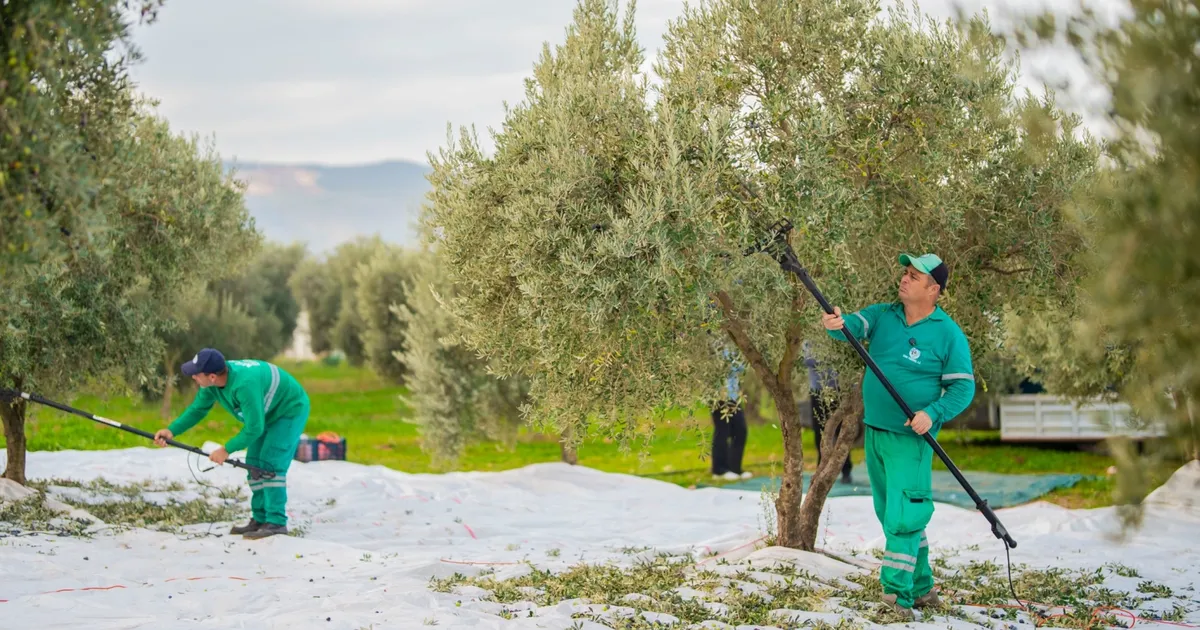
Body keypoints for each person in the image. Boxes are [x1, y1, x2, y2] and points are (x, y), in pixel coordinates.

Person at [822, 253, 975, 619]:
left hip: (911, 440)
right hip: (876, 433)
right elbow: (852, 326)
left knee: (904, 515)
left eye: (914, 276)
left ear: (933, 289)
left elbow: (962, 390)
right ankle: (922, 589)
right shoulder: (884, 315)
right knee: (890, 511)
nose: (904, 279)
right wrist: (834, 323)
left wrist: (932, 413)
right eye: (905, 273)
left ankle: (897, 599)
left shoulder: (947, 333)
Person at [154, 348, 311, 539]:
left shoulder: (244, 385)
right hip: (266, 414)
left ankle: (277, 522)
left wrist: (226, 450)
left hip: (289, 410)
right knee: (254, 463)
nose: (193, 377)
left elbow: (254, 428)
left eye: (197, 373)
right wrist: (172, 431)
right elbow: (197, 409)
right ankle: (260, 519)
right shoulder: (212, 385)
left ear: (212, 376)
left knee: (270, 464)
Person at [802, 340, 853, 484]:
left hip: (837, 390)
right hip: (817, 391)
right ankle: (821, 469)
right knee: (819, 431)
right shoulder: (810, 339)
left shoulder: (836, 337)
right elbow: (807, 359)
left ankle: (846, 469)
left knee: (841, 431)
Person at [711, 352, 751, 481]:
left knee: (740, 431)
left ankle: (734, 468)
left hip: (734, 396)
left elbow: (741, 368)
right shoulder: (715, 342)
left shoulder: (733, 343)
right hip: (719, 396)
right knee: (722, 432)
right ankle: (719, 470)